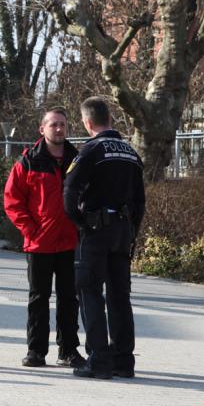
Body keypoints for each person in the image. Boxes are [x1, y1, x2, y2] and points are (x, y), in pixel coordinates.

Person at [63, 96, 145, 379]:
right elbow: (140, 201)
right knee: (120, 295)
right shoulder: (130, 152)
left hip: (96, 231)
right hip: (123, 231)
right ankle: (124, 360)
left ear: (88, 122)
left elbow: (70, 191)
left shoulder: (91, 150)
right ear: (109, 119)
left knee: (89, 291)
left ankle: (98, 360)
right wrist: (131, 230)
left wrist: (80, 222)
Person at [4, 107, 85, 369]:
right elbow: (13, 200)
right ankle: (36, 351)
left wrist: (83, 226)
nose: (59, 129)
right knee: (38, 298)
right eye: (53, 125)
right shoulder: (28, 161)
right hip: (39, 243)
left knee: (69, 299)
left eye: (62, 124)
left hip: (70, 241)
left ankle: (69, 350)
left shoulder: (79, 159)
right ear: (42, 129)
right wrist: (30, 230)